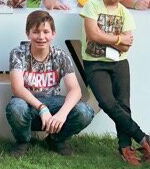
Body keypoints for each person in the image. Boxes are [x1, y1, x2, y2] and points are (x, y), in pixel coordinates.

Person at [80, 0, 150, 165]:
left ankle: (126, 148)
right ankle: (143, 137)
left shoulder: (126, 13)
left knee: (123, 105)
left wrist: (110, 39)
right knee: (107, 102)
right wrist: (117, 38)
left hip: (119, 62)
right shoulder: (92, 6)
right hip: (94, 62)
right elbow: (93, 35)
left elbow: (127, 43)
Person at [6, 10, 94, 157]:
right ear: (28, 34)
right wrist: (42, 108)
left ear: (53, 34)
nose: (41, 37)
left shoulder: (60, 56)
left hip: (54, 103)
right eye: (36, 32)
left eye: (46, 32)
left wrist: (62, 114)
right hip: (28, 104)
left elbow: (75, 90)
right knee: (16, 107)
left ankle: (56, 140)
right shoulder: (18, 54)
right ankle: (23, 141)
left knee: (84, 111)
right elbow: (17, 88)